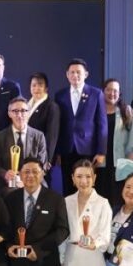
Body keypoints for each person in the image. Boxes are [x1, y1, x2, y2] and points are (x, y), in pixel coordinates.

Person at [54, 58, 107, 196]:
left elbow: (102, 124)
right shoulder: (60, 95)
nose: (75, 75)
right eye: (72, 72)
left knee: (86, 185)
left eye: (78, 72)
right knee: (67, 186)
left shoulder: (96, 93)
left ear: (86, 74)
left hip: (87, 149)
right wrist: (57, 151)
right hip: (67, 149)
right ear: (67, 75)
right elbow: (57, 125)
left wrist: (101, 151)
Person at [96, 78, 133, 207]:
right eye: (108, 90)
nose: (112, 93)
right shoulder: (96, 110)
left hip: (120, 162)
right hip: (100, 162)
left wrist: (130, 164)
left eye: (115, 90)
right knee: (100, 196)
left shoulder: (126, 111)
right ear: (103, 91)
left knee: (117, 196)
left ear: (119, 93)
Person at [0, 96, 47, 195]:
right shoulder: (0, 137)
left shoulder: (39, 136)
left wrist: (26, 178)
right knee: (11, 193)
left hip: (32, 178)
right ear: (9, 113)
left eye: (23, 111)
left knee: (45, 191)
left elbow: (42, 164)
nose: (20, 115)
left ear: (28, 113)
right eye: (15, 111)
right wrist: (5, 174)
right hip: (8, 182)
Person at [25, 73, 60, 173]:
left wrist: (46, 160)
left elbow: (52, 136)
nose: (36, 88)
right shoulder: (26, 105)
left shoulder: (51, 107)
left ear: (46, 88)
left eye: (40, 85)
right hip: (27, 153)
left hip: (41, 156)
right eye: (34, 85)